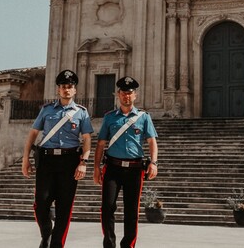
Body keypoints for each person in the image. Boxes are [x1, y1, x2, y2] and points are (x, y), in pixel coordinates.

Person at [22, 70, 93, 248]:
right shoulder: (46, 110)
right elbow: (33, 134)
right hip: (46, 160)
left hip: (69, 161)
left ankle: (56, 244)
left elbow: (87, 140)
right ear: (58, 90)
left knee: (64, 207)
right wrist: (25, 158)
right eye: (63, 87)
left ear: (75, 90)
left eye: (70, 87)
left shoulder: (82, 113)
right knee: (41, 202)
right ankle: (46, 231)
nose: (66, 90)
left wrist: (83, 163)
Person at [94, 76, 158, 248]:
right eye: (123, 93)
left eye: (130, 93)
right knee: (107, 208)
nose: (126, 96)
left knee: (132, 212)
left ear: (135, 95)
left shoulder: (144, 117)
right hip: (112, 168)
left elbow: (152, 142)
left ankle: (128, 245)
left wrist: (154, 162)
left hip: (135, 169)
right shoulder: (109, 118)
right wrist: (96, 167)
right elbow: (101, 144)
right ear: (118, 94)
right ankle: (109, 244)